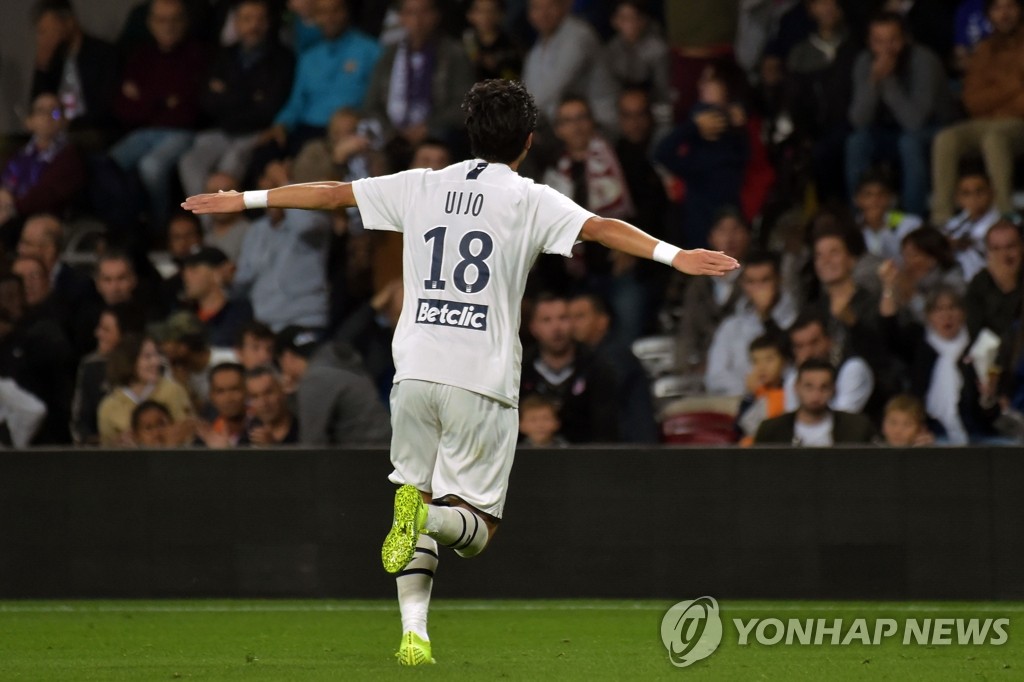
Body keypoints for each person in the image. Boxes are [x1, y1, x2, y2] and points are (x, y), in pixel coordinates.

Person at [182, 78, 738, 665]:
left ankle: (414, 634)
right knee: (475, 528)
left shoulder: (422, 184)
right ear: (528, 140)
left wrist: (245, 200)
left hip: (414, 373)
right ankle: (422, 526)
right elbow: (600, 227)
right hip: (480, 376)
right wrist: (677, 255)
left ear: (471, 134)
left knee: (413, 494)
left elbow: (332, 193)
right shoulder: (529, 198)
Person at [846, 11, 952, 215]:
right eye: (878, 42)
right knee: (857, 142)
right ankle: (861, 216)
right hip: (888, 130)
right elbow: (858, 120)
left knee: (909, 142)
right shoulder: (864, 61)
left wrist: (887, 81)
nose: (886, 49)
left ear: (906, 39)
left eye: (893, 40)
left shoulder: (923, 60)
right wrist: (872, 82)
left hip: (934, 128)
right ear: (869, 42)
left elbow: (915, 121)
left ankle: (912, 219)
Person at [932, 0, 1024, 224]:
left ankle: (1004, 214)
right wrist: (1013, 85)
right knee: (946, 138)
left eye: (1010, 7)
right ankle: (942, 218)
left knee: (995, 138)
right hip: (984, 120)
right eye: (998, 8)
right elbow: (972, 101)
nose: (1004, 14)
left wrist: (994, 95)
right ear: (989, 14)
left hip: (1018, 122)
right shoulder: (984, 49)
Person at [275, 326, 392, 445]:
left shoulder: (315, 379)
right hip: (385, 444)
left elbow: (312, 443)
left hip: (369, 450)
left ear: (287, 357)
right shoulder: (336, 362)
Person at [97, 333, 193, 446]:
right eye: (147, 357)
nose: (156, 362)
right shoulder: (108, 407)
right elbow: (106, 449)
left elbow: (188, 437)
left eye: (156, 355)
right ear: (128, 361)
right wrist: (118, 445)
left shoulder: (173, 391)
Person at [754, 357, 877, 445]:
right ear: (796, 387)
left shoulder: (856, 428)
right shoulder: (771, 430)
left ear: (833, 389)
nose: (816, 394)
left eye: (824, 387)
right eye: (809, 386)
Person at [964, 219, 1022, 340]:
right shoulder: (979, 282)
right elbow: (976, 332)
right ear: (987, 253)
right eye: (996, 249)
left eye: (1010, 247)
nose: (1004, 255)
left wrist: (1009, 287)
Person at [940, 170, 1001, 282]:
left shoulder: (1001, 223)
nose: (974, 197)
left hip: (987, 281)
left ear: (991, 193)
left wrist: (957, 243)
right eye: (966, 193)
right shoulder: (954, 223)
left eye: (979, 191)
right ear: (958, 198)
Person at [736, 334, 790, 445]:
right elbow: (739, 428)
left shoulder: (791, 392)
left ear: (784, 361)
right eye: (755, 361)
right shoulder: (754, 394)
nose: (762, 367)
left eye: (769, 360)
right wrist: (749, 395)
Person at [240, 365, 299, 445]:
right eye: (255, 397)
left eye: (268, 393)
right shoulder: (248, 433)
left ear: (282, 390)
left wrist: (273, 448)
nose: (263, 403)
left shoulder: (304, 429)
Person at [194, 362, 247, 447]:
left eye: (235, 389)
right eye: (220, 391)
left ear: (246, 391)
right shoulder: (205, 438)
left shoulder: (262, 430)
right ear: (211, 396)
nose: (228, 398)